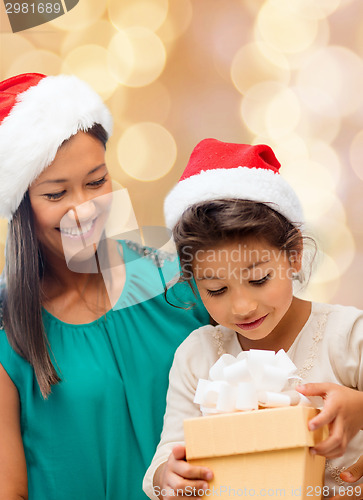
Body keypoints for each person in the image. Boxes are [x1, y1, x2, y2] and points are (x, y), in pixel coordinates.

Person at [0, 73, 210, 500]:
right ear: (20, 207)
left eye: (96, 181)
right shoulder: (9, 336)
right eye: (56, 194)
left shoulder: (178, 284)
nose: (84, 209)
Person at [142, 139, 363, 499]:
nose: (242, 307)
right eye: (216, 289)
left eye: (259, 280)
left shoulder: (348, 337)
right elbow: (166, 458)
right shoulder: (198, 356)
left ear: (294, 257)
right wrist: (168, 475)